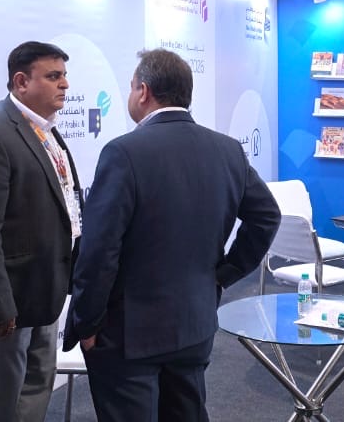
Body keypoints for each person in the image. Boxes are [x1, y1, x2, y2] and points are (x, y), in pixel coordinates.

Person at [63, 49, 280, 422]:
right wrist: (223, 274)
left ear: (143, 91)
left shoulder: (123, 152)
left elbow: (100, 251)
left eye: (132, 86)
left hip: (128, 331)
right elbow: (267, 217)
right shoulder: (227, 149)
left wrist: (87, 322)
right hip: (194, 323)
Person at [0, 41, 82, 422]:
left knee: (36, 391)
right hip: (9, 302)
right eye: (53, 76)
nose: (64, 84)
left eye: (64, 75)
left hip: (46, 290)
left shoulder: (46, 130)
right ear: (21, 81)